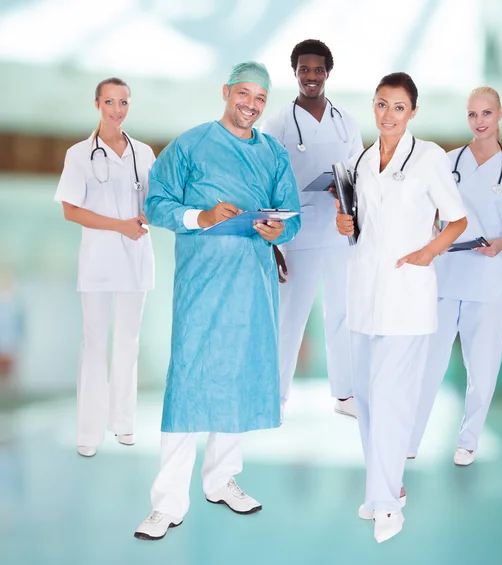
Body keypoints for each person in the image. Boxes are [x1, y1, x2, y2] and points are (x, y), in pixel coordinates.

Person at [134, 61, 301, 541]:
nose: (250, 104)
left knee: (240, 378)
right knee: (188, 384)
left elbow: (292, 216)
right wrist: (201, 216)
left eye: (260, 98)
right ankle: (166, 504)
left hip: (252, 283)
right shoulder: (190, 145)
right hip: (202, 284)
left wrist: (279, 227)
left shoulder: (272, 154)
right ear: (227, 92)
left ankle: (221, 478)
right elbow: (156, 203)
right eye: (243, 94)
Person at [335, 72, 467, 543]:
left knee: (391, 398)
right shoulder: (361, 161)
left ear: (412, 112)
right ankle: (380, 491)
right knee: (367, 400)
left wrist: (427, 253)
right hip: (364, 292)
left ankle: (389, 505)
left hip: (407, 296)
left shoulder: (428, 156)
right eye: (380, 104)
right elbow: (363, 228)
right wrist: (344, 221)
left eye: (397, 107)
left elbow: (457, 219)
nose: (387, 114)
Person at [409, 87, 502, 466]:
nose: (479, 122)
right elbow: (430, 214)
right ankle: (410, 439)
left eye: (486, 114)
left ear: (500, 114)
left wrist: (500, 245)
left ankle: (468, 441)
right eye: (472, 115)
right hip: (447, 275)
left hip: (489, 281)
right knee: (429, 363)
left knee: (481, 369)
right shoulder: (446, 162)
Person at [261, 39, 363, 420]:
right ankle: (276, 395)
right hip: (297, 230)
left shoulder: (346, 122)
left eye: (318, 70)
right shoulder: (278, 124)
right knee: (291, 316)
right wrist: (269, 239)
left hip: (338, 229)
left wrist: (345, 193)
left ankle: (345, 394)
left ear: (328, 73)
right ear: (295, 73)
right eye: (304, 70)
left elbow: (358, 175)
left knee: (341, 313)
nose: (311, 77)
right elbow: (266, 180)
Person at [54, 77, 155, 458]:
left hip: (136, 257)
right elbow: (70, 210)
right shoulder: (79, 154)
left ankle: (124, 424)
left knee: (128, 343)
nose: (117, 110)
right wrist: (119, 225)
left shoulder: (143, 153)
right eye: (110, 102)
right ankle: (89, 431)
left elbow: (156, 199)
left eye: (124, 102)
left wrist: (148, 213)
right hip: (98, 260)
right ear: (96, 103)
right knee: (94, 344)